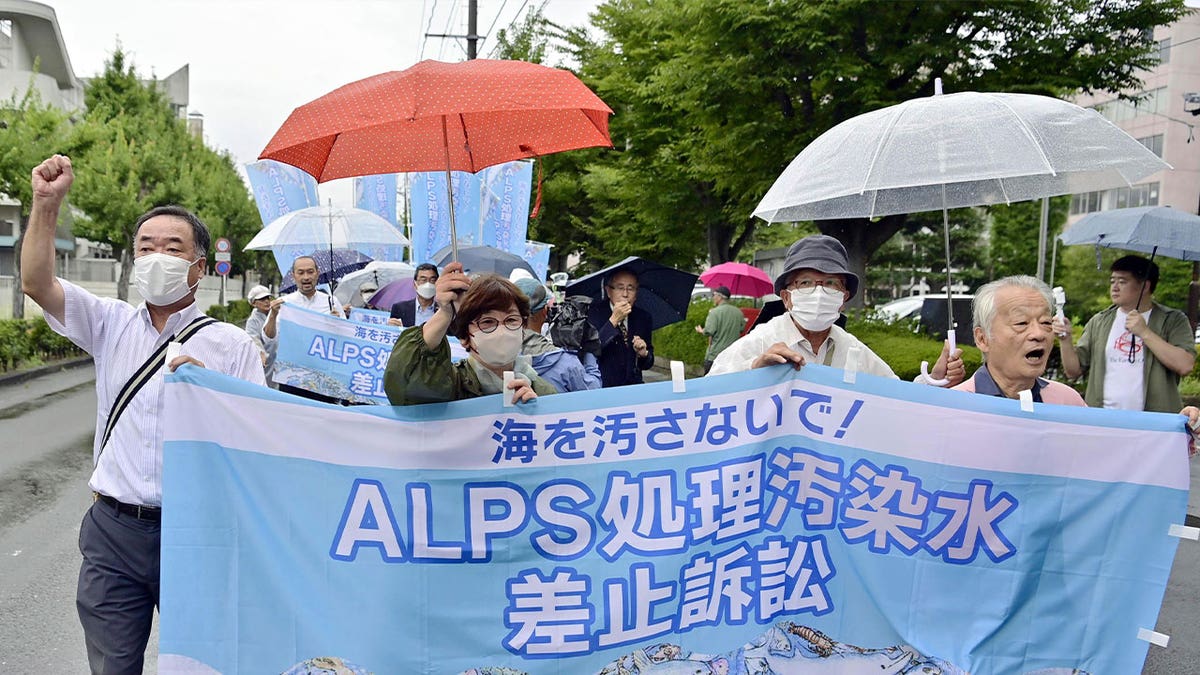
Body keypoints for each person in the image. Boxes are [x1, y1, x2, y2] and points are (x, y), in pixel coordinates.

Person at [20, 155, 266, 674]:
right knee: (113, 666)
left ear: (199, 267)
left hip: (200, 531)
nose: (157, 257)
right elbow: (39, 284)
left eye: (172, 248)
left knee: (200, 664)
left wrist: (212, 393)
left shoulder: (231, 347)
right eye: (146, 248)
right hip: (114, 530)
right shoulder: (108, 324)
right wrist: (45, 205)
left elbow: (259, 443)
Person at [708, 235, 963, 384]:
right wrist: (754, 370)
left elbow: (896, 399)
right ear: (787, 298)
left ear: (843, 298)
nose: (819, 292)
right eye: (806, 282)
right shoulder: (763, 341)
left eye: (831, 283)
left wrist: (935, 379)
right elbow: (708, 395)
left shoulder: (853, 350)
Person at [384, 262, 556, 405]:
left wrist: (537, 416)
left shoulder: (543, 391)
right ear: (465, 338)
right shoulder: (449, 386)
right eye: (487, 322)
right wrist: (445, 312)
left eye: (511, 320)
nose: (502, 331)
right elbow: (403, 384)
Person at [1055, 255, 1196, 413]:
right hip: (1103, 418)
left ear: (1145, 286)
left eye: (1122, 282)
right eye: (1112, 281)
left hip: (1154, 423)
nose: (1114, 287)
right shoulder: (1100, 321)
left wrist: (1144, 332)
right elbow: (1073, 371)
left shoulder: (1172, 320)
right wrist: (1065, 340)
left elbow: (1185, 365)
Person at [953, 276, 1086, 404]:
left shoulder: (1068, 402)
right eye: (1021, 323)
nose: (1038, 334)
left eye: (1045, 322)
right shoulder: (954, 407)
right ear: (982, 339)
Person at [514, 277, 601, 392]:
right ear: (545, 311)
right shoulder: (565, 363)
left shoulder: (498, 358)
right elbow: (594, 390)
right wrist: (590, 351)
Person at [588, 267, 655, 387]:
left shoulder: (643, 317)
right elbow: (592, 349)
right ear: (609, 291)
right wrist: (613, 321)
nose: (625, 294)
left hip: (633, 388)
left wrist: (643, 354)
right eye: (620, 288)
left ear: (636, 293)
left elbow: (647, 364)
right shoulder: (593, 314)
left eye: (631, 288)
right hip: (604, 387)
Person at [695, 285, 746, 374]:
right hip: (732, 355)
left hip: (715, 356)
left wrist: (701, 330)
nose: (713, 297)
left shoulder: (714, 312)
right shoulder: (738, 312)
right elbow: (742, 329)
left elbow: (709, 331)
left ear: (720, 297)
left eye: (714, 295)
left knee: (710, 384)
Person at [388, 263, 439, 327]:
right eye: (423, 280)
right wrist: (391, 326)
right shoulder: (400, 308)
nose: (428, 284)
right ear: (415, 284)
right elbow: (393, 332)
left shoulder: (444, 310)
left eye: (432, 280)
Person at [244, 284, 276, 383]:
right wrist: (261, 353)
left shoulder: (275, 313)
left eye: (268, 298)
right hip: (265, 361)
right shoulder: (253, 321)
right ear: (254, 303)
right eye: (262, 299)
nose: (266, 301)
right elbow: (253, 339)